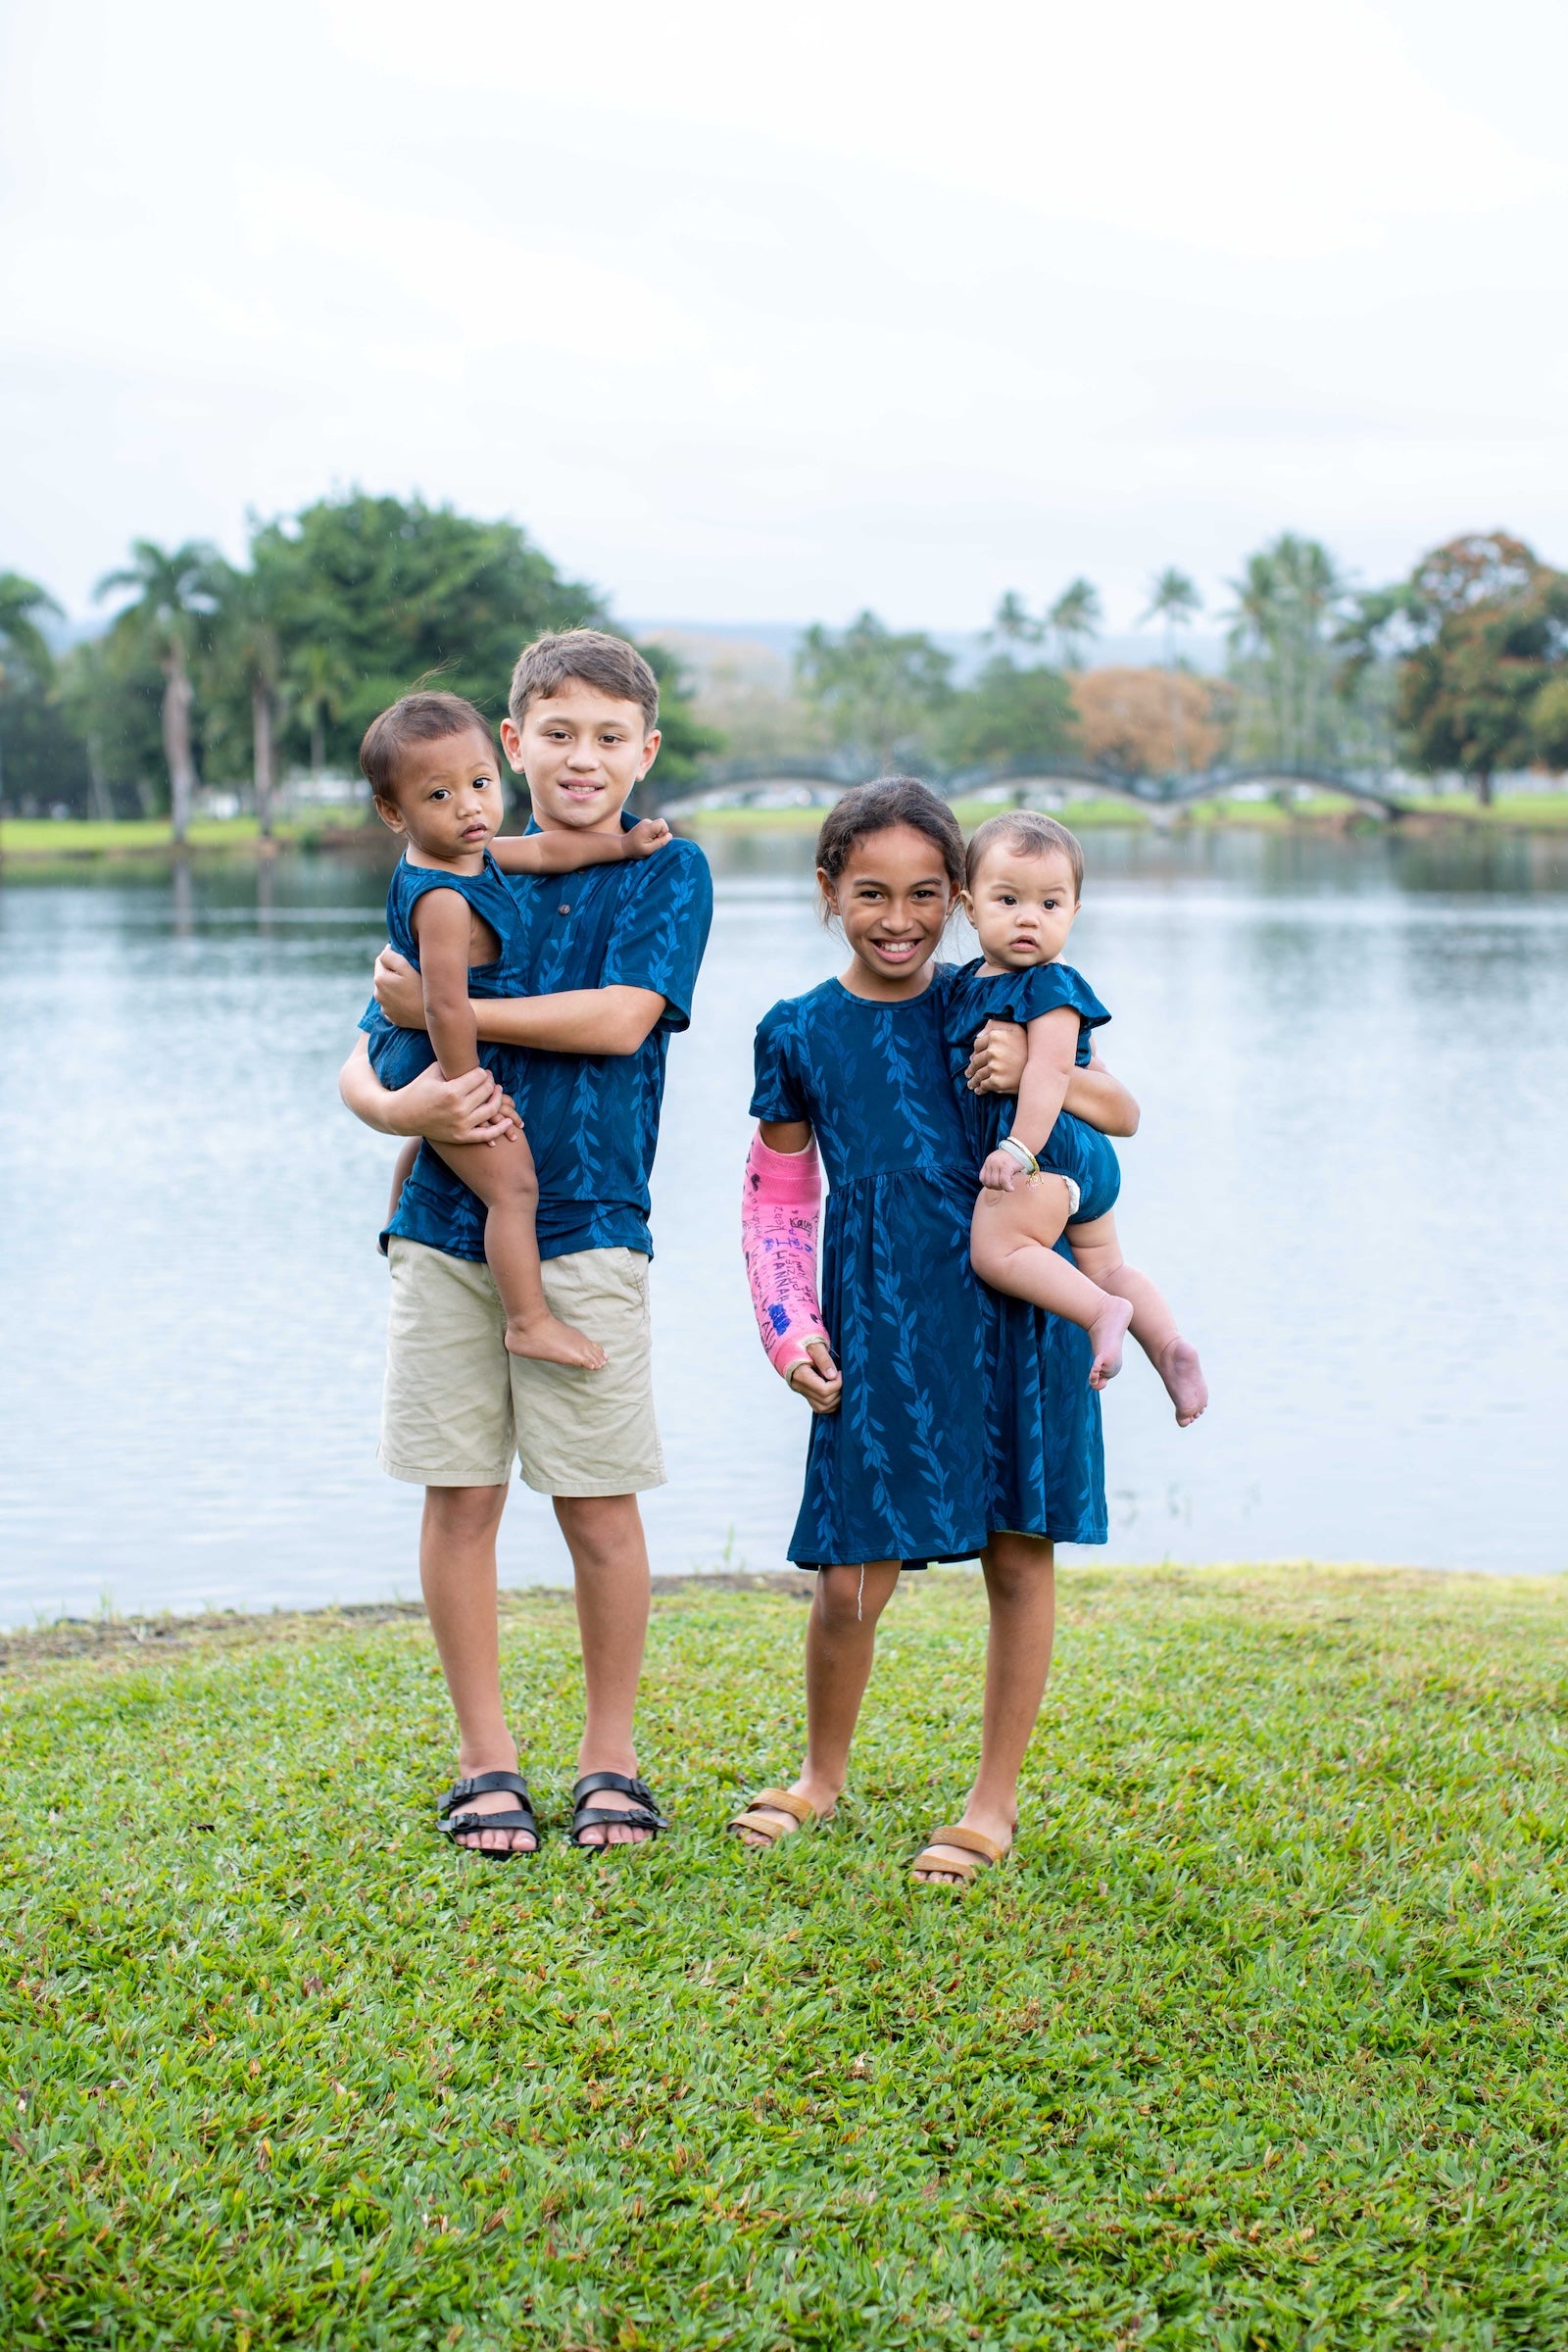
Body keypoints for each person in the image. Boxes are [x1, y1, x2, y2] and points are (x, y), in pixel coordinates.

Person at [338, 631, 711, 1857]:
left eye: (610, 738)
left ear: (644, 751)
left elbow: (620, 1021)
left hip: (591, 1225)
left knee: (598, 1504)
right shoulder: (453, 863)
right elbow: (362, 1058)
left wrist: (449, 1014)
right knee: (461, 1495)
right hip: (443, 1226)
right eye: (557, 734)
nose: (582, 757)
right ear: (513, 744)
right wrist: (408, 1104)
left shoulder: (664, 875)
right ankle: (484, 1760)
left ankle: (611, 1759)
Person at [731, 778, 1139, 1887]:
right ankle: (820, 1777)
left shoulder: (993, 995)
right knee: (851, 1568)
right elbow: (775, 1193)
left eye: (923, 894)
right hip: (878, 1318)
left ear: (958, 897)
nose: (899, 918)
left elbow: (1116, 1106)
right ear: (828, 892)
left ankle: (990, 1805)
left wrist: (1025, 1071)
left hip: (1013, 1307)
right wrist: (784, 1325)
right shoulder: (797, 1030)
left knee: (1018, 1550)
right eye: (871, 892)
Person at [359, 688, 672, 1372]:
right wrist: (469, 1089)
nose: (470, 807)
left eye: (478, 785)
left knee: (432, 1144)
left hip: (418, 1044)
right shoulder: (443, 898)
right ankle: (528, 1320)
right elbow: (442, 1010)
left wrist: (620, 845)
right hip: (434, 1051)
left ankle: (395, 1220)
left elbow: (545, 855)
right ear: (394, 812)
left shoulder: (468, 855)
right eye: (439, 797)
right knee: (513, 1186)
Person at [952, 810, 1207, 1425]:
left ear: (1074, 912)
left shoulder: (1051, 987)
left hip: (1052, 1149)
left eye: (1050, 904)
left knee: (997, 1247)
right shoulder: (966, 984)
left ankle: (1099, 1312)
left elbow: (1050, 1075)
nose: (1028, 918)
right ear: (968, 905)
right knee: (1109, 1264)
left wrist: (1017, 1149)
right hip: (1082, 1162)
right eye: (1008, 899)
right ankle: (1169, 1348)